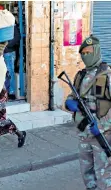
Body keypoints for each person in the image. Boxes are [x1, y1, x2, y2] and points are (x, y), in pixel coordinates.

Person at [65, 35, 111, 190]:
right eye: (83, 53)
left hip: (102, 134)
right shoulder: (81, 75)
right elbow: (72, 95)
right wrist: (69, 102)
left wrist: (101, 125)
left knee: (104, 175)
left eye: (89, 52)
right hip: (84, 134)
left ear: (96, 51)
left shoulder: (108, 76)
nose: (86, 56)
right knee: (87, 173)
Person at [0, 5, 21, 100]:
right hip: (1, 52)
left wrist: (6, 46)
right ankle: (3, 92)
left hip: (9, 52)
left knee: (9, 72)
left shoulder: (11, 23)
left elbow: (17, 37)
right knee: (1, 73)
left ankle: (11, 93)